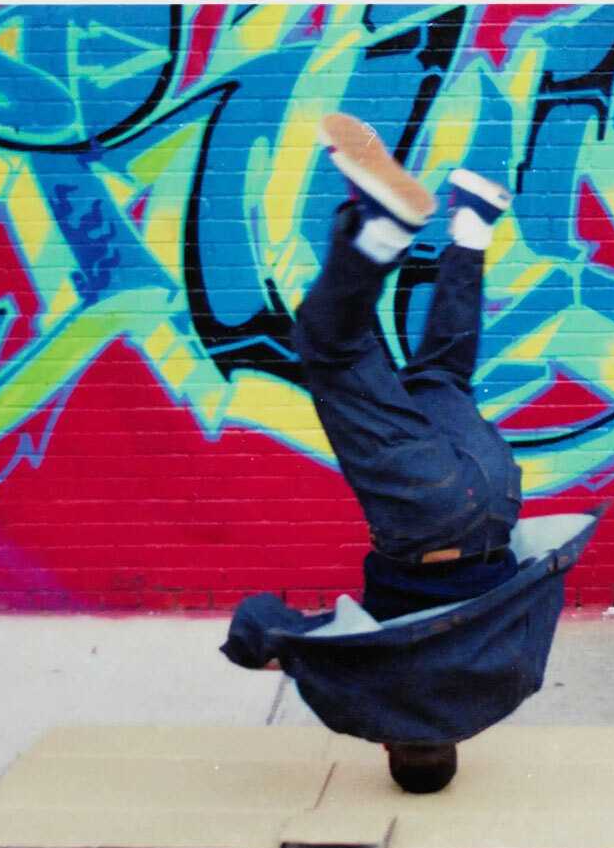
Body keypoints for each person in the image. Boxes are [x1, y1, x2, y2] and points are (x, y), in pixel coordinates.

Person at [225, 113, 528, 794]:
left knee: (441, 374)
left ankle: (472, 224)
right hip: (427, 515)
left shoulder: (501, 688)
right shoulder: (372, 684)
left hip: (499, 493)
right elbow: (258, 625)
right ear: (391, 742)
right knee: (329, 347)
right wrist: (270, 652)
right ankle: (384, 230)